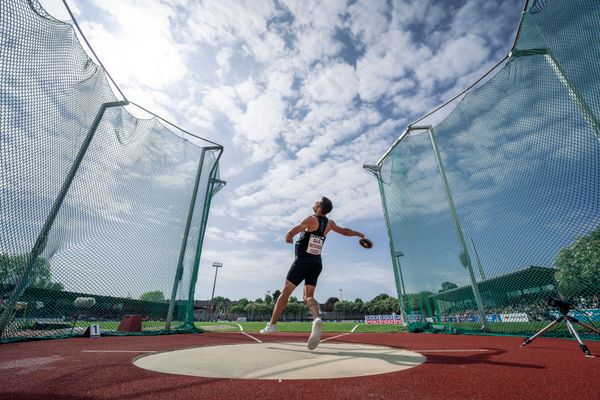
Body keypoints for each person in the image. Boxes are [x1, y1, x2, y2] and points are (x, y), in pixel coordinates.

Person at [260, 196, 365, 350]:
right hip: (316, 263)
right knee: (308, 297)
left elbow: (293, 231)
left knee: (284, 294)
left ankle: (272, 325)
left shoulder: (311, 219)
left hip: (302, 262)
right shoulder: (329, 223)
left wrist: (288, 237)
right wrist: (358, 234)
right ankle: (316, 318)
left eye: (317, 202)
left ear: (319, 208)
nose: (314, 202)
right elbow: (345, 231)